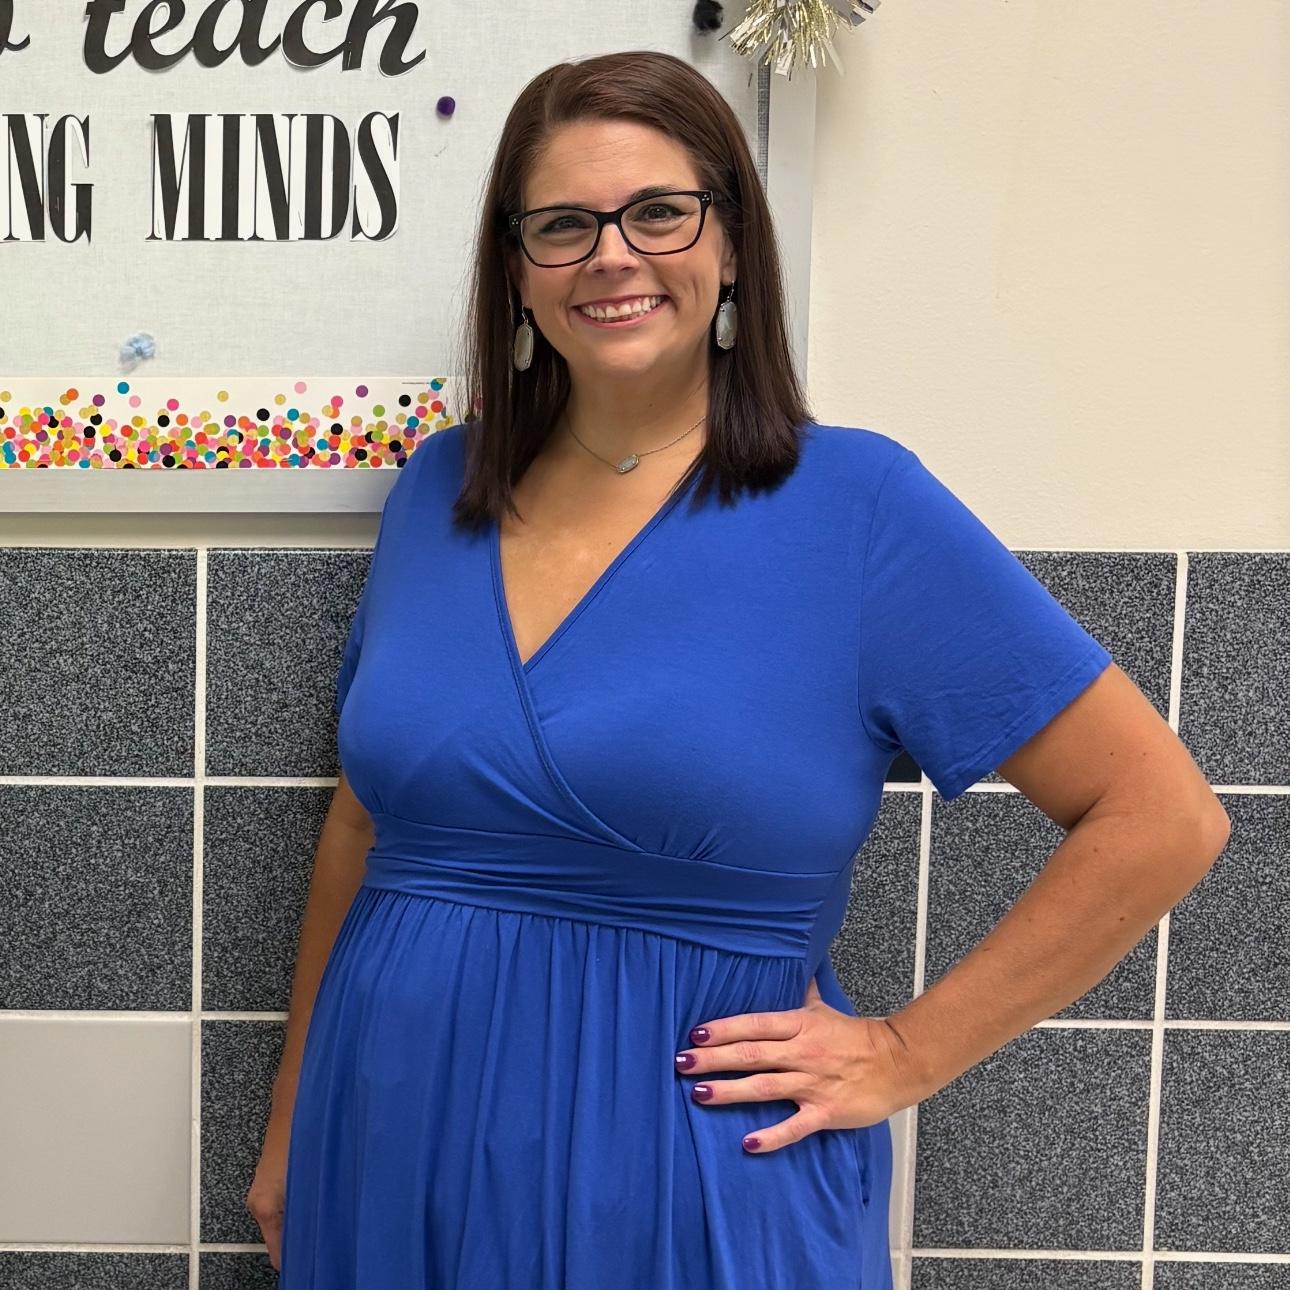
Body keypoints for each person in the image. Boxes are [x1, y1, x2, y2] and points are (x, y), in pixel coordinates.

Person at [246, 48, 1230, 1290]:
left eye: (659, 212)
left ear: (730, 244)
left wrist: (907, 1053)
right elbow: (363, 823)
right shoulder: (438, 489)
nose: (612, 256)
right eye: (563, 224)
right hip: (392, 1139)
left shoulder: (860, 507)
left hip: (689, 1173)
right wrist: (294, 1121)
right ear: (515, 268)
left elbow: (1162, 816)